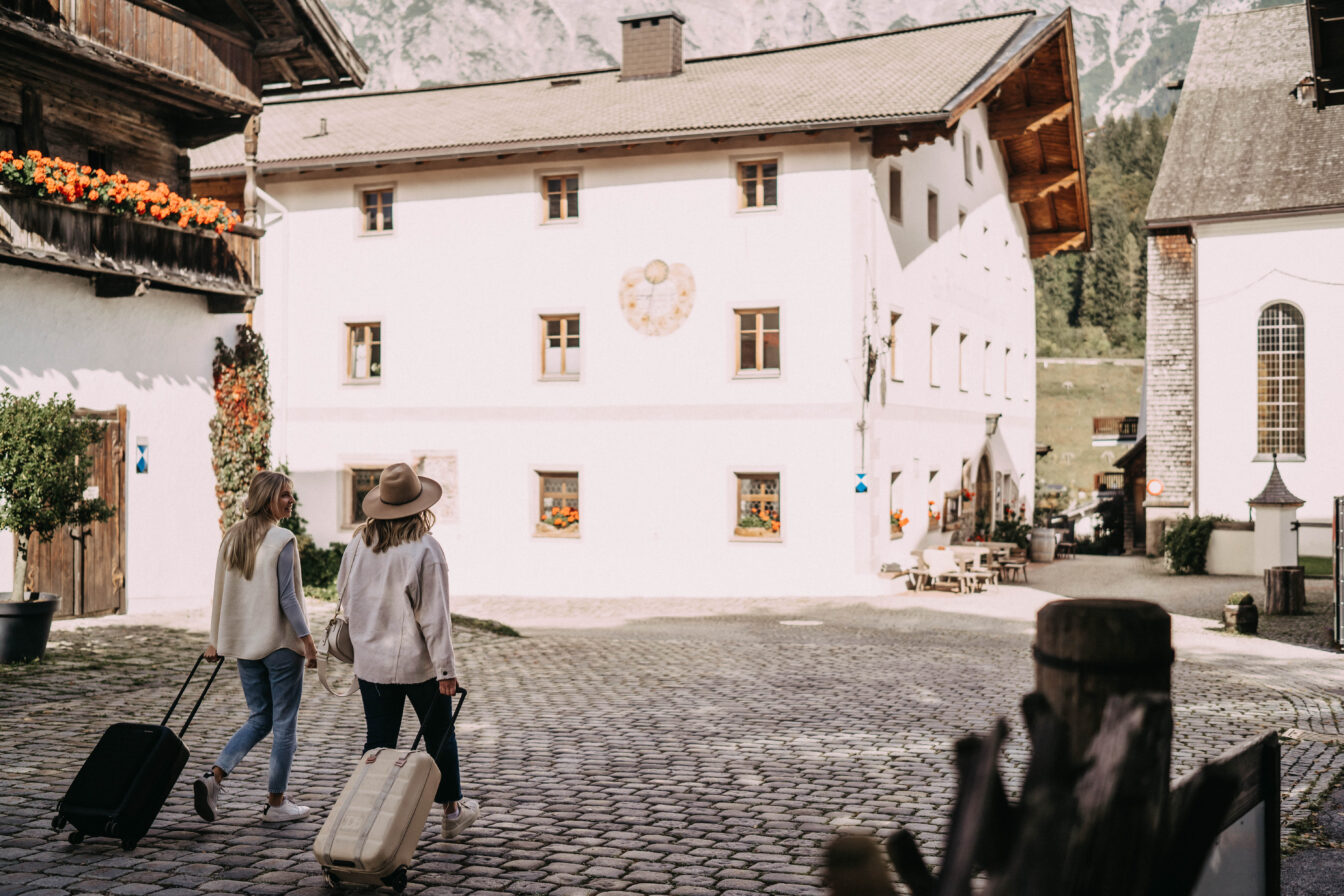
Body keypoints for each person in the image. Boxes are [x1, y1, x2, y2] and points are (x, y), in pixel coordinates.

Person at [338, 462, 478, 838]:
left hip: (372, 665)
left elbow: (345, 600)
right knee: (439, 735)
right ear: (420, 506)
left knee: (378, 744)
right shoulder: (426, 550)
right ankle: (451, 811)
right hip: (420, 667)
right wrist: (446, 671)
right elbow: (435, 617)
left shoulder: (358, 545)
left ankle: (361, 818)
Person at [194, 470, 319, 825]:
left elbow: (219, 591)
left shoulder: (232, 536)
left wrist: (216, 640)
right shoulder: (283, 539)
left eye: (291, 495)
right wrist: (308, 644)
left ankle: (214, 777)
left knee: (259, 717)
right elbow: (289, 599)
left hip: (245, 647)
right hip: (280, 646)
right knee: (284, 725)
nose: (291, 501)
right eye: (284, 496)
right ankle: (276, 803)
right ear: (267, 499)